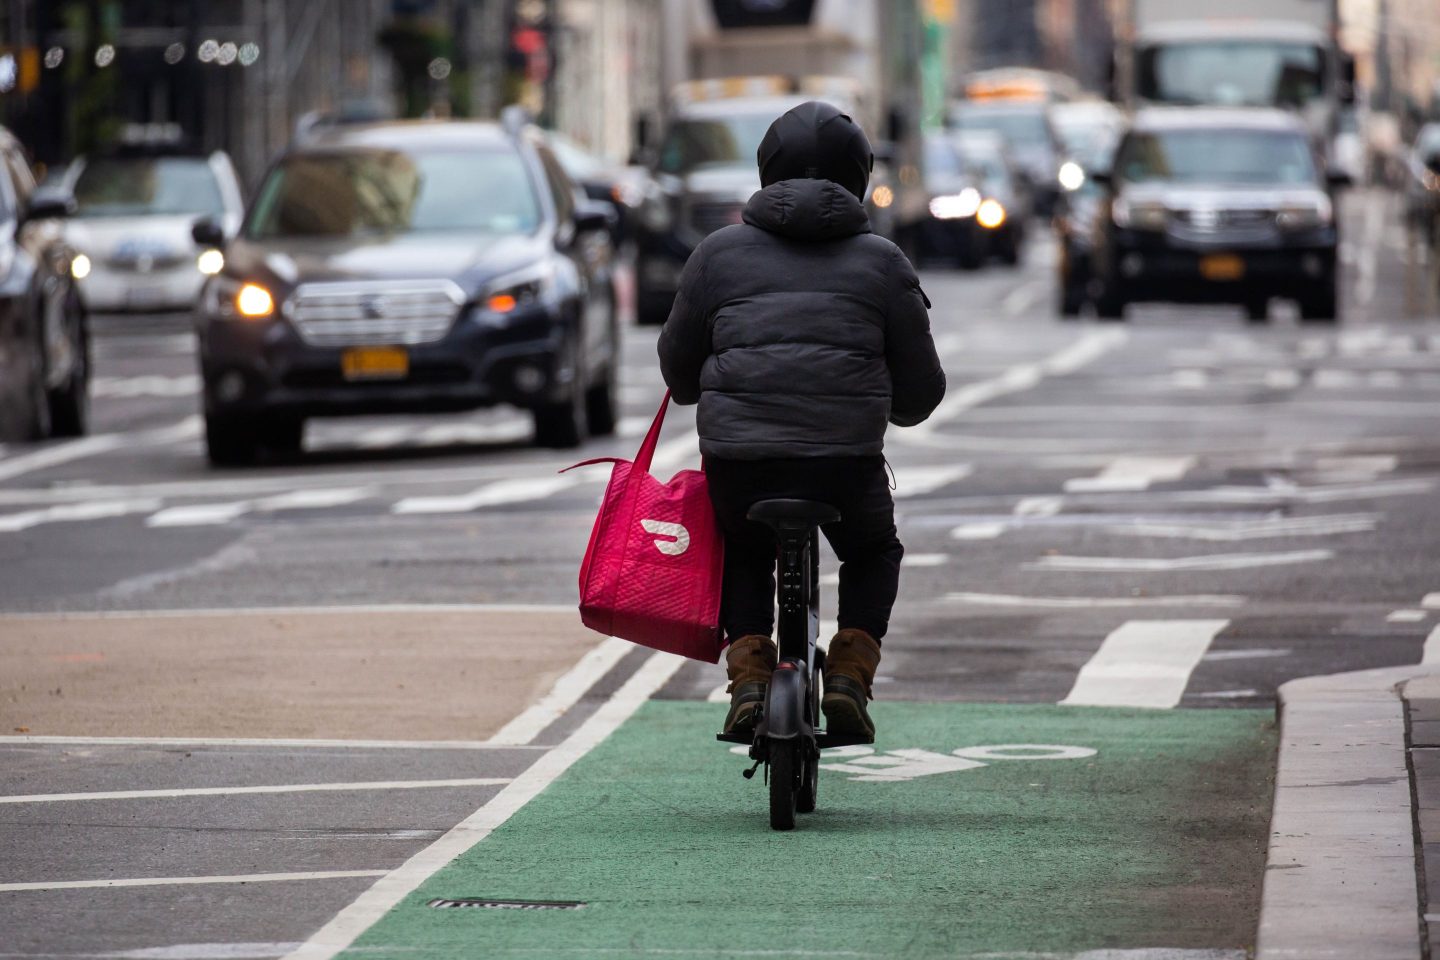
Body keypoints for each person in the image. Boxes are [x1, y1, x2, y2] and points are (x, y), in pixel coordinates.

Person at [657, 100, 946, 742]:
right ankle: (848, 672)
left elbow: (677, 374)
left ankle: (751, 679)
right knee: (873, 551)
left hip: (741, 465)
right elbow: (922, 391)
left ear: (766, 170)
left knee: (738, 548)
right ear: (859, 175)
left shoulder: (716, 254)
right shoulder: (884, 261)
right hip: (845, 464)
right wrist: (886, 406)